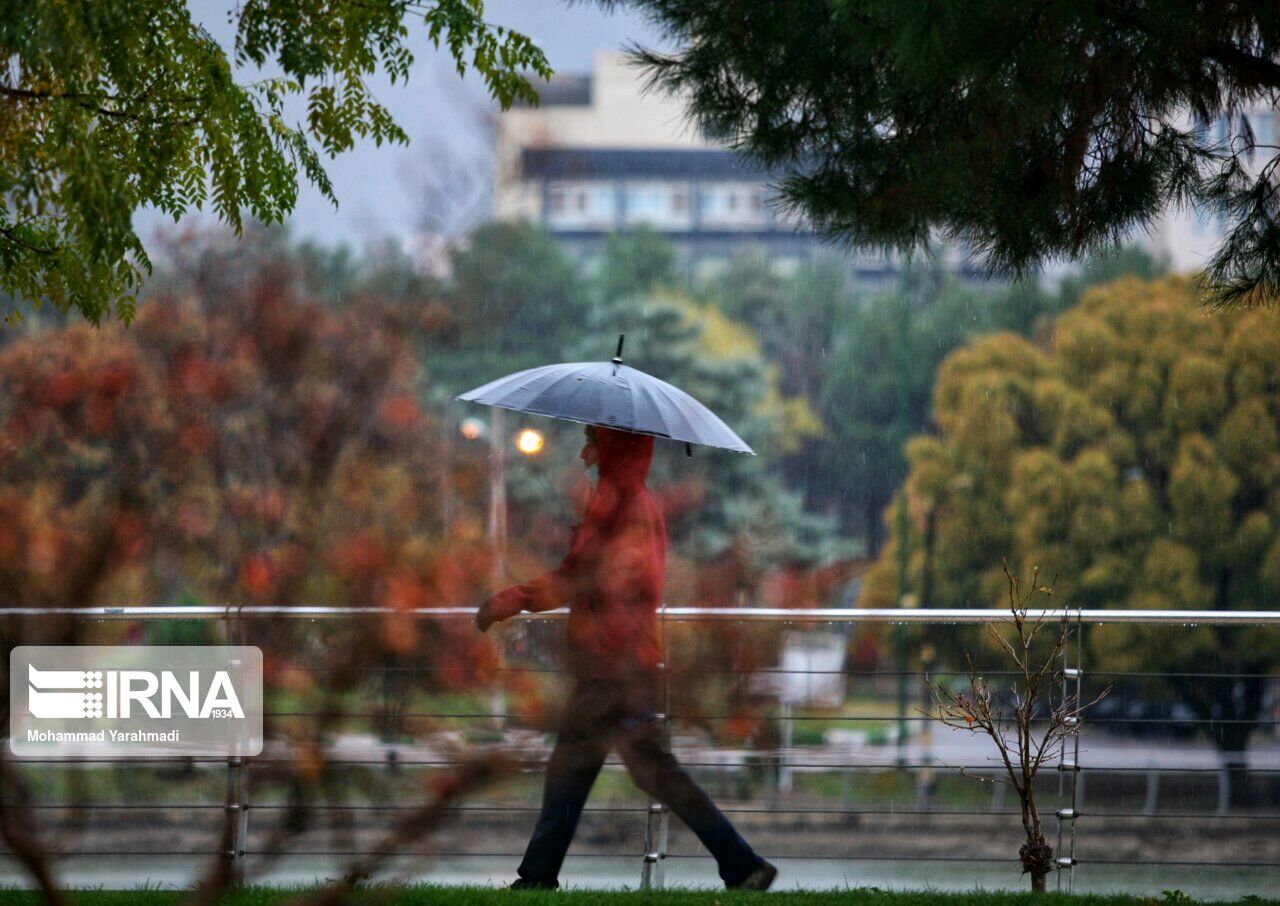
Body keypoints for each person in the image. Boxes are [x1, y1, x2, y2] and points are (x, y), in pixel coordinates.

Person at [476, 424, 777, 891]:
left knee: (588, 771)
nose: (581, 454)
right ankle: (740, 864)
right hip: (620, 664)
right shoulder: (632, 504)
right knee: (618, 771)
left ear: (610, 447)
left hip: (611, 669)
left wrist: (511, 600)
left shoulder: (622, 509)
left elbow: (578, 579)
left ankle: (741, 864)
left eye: (590, 443)